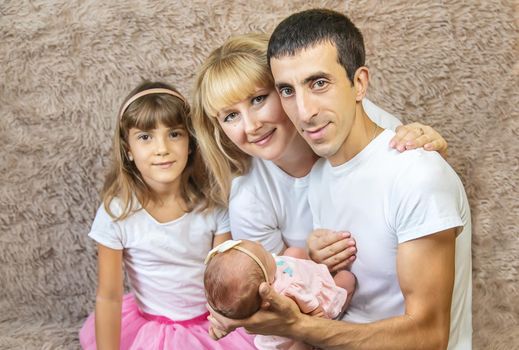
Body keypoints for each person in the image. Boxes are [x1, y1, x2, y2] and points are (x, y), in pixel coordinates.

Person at [207, 9, 472, 350]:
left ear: (359, 83)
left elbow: (428, 336)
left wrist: (299, 326)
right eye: (287, 90)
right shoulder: (320, 174)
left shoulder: (415, 171)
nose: (305, 110)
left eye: (319, 83)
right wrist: (313, 264)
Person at [192, 33, 448, 263]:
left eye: (258, 99)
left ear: (287, 90)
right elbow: (283, 295)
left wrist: (424, 147)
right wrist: (311, 262)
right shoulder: (250, 199)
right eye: (230, 116)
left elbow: (416, 189)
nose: (251, 126)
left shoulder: (354, 119)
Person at [78, 81, 255, 349]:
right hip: (147, 326)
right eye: (145, 137)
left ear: (191, 142)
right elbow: (109, 297)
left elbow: (225, 284)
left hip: (209, 324)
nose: (162, 148)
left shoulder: (212, 207)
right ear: (128, 149)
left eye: (174, 134)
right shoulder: (117, 212)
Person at [204, 239, 355, 350]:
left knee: (293, 252)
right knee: (347, 279)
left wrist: (221, 327)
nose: (261, 245)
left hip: (299, 273)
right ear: (268, 284)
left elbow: (228, 308)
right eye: (264, 254)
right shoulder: (289, 292)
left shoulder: (256, 283)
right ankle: (337, 309)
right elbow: (314, 310)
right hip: (311, 303)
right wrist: (321, 318)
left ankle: (316, 270)